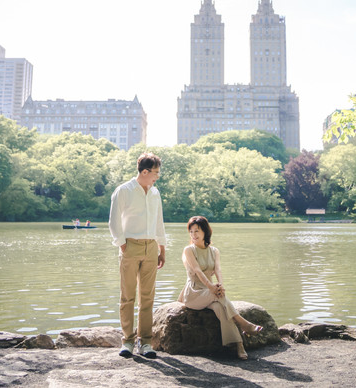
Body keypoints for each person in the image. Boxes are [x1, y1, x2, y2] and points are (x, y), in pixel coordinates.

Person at [177, 216, 263, 360]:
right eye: (191, 232)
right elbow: (197, 271)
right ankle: (244, 324)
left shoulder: (214, 251)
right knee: (219, 295)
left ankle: (239, 345)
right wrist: (211, 286)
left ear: (205, 231)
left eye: (197, 231)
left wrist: (220, 285)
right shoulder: (189, 250)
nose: (194, 235)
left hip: (210, 292)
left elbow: (218, 270)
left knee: (220, 309)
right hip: (194, 293)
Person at [108, 152, 166, 359]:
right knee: (127, 297)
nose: (157, 176)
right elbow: (114, 221)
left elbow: (159, 222)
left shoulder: (155, 193)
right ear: (144, 171)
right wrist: (122, 245)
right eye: (155, 173)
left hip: (151, 247)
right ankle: (128, 341)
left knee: (148, 298)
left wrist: (162, 247)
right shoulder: (123, 191)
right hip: (130, 247)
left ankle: (146, 342)